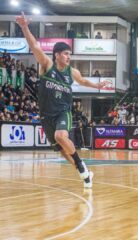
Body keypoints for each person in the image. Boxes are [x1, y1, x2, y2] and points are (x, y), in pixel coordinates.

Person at [16, 12, 107, 188]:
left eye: (69, 54)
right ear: (57, 54)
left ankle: (81, 166)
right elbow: (34, 46)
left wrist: (98, 86)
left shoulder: (72, 72)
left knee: (60, 136)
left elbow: (83, 81)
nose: (68, 57)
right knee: (62, 151)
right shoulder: (47, 66)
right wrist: (24, 27)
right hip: (46, 115)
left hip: (63, 111)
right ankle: (86, 173)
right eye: (65, 54)